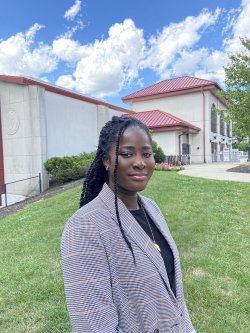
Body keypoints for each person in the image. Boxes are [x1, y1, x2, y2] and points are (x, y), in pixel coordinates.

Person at [61, 116, 196, 333]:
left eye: (146, 153)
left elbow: (173, 294)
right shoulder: (84, 227)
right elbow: (92, 326)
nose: (140, 162)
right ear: (106, 161)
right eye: (127, 154)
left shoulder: (152, 209)